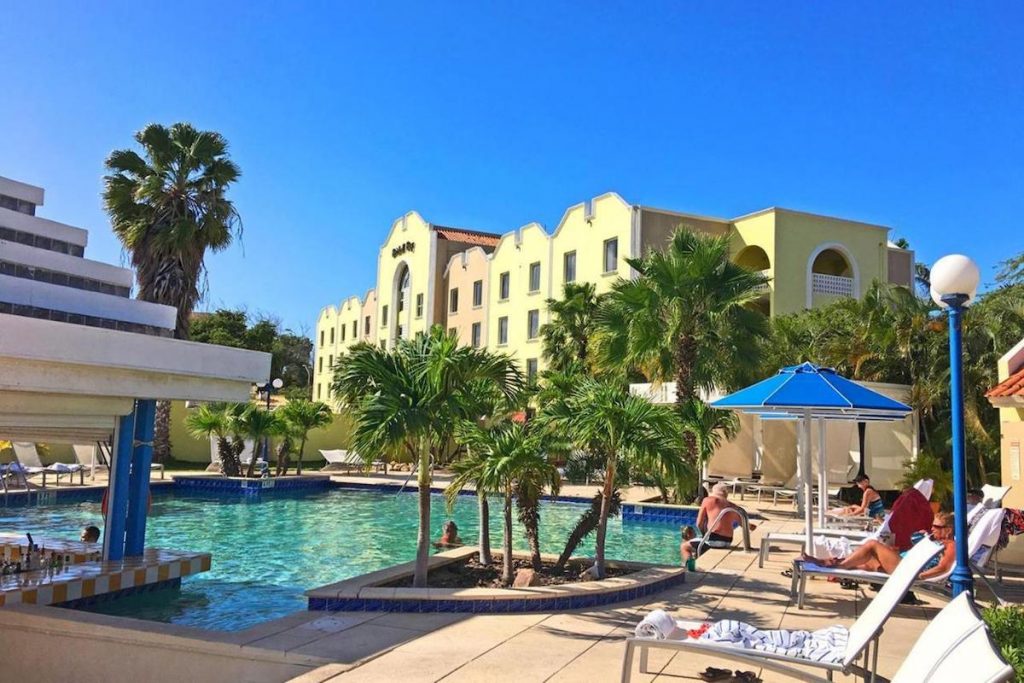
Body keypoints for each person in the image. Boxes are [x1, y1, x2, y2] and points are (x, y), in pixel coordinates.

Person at [805, 512, 956, 580]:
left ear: (948, 530)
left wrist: (920, 576)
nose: (932, 529)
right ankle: (832, 564)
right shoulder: (936, 541)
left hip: (910, 570)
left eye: (936, 526)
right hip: (904, 563)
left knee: (872, 545)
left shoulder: (951, 545)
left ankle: (839, 565)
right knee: (866, 562)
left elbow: (943, 567)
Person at [680, 483, 757, 564]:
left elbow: (699, 523)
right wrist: (754, 526)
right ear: (726, 494)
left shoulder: (708, 500)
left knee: (684, 546)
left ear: (713, 492)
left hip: (713, 540)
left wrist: (704, 534)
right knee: (702, 541)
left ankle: (689, 567)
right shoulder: (732, 506)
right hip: (727, 541)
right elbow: (746, 525)